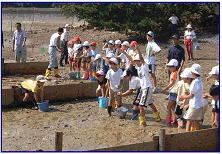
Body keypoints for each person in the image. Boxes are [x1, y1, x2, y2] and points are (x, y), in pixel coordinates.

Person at [132, 46, 161, 126]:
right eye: (136, 61)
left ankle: (142, 121)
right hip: (144, 88)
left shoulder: (144, 66)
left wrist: (138, 49)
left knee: (141, 105)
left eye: (137, 61)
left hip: (147, 88)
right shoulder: (138, 68)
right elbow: (131, 60)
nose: (136, 62)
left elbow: (142, 59)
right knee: (150, 103)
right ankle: (157, 116)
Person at [180, 64, 208, 132]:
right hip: (199, 104)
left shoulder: (195, 82)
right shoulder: (199, 81)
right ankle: (196, 134)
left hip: (194, 105)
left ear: (193, 73)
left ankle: (187, 133)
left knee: (189, 120)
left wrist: (184, 96)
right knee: (196, 121)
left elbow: (191, 96)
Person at [162, 59, 179, 126]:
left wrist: (165, 89)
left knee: (168, 107)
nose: (169, 68)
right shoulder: (175, 72)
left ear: (175, 67)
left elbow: (172, 83)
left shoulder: (174, 73)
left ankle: (168, 121)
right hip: (174, 91)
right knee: (173, 107)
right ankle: (175, 120)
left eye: (171, 67)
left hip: (173, 92)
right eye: (169, 66)